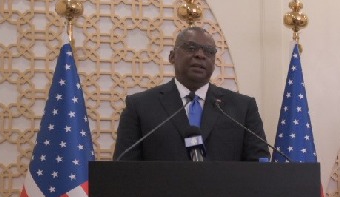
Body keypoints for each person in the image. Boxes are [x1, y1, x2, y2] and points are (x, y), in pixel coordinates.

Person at [113, 25, 269, 161]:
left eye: (209, 51)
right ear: (172, 56)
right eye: (191, 48)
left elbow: (259, 166)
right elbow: (124, 168)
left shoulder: (242, 108)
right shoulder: (140, 106)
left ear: (214, 62)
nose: (200, 55)